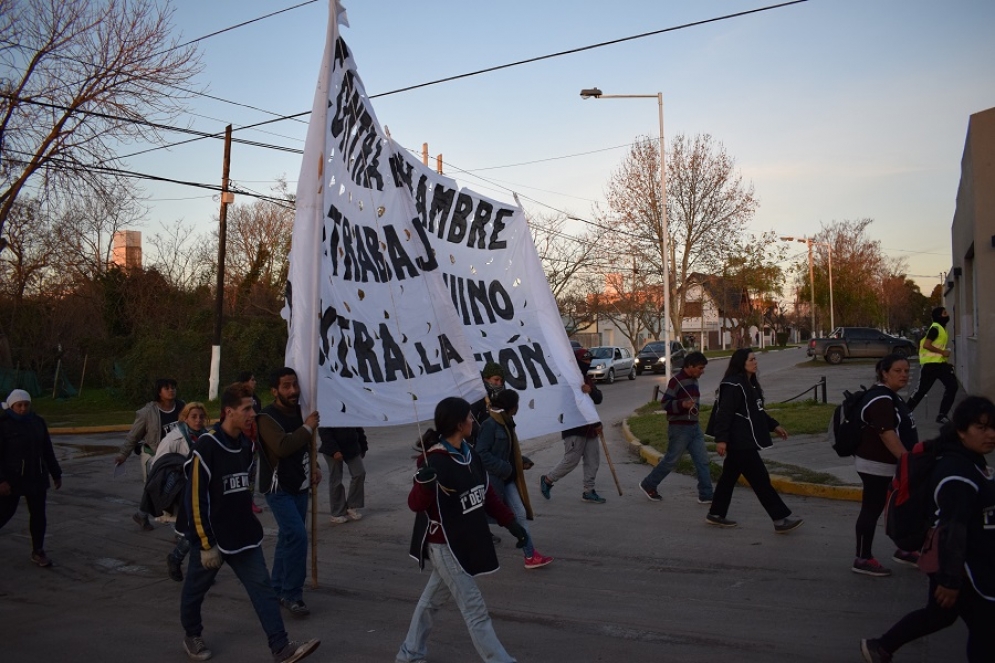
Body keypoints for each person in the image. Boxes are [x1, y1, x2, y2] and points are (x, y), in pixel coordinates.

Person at [180, 383, 320, 663]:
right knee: (195, 590)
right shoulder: (206, 446)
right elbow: (195, 499)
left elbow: (243, 491)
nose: (252, 413)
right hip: (212, 537)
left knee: (264, 591)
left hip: (243, 535)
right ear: (228, 412)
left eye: (253, 407)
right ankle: (192, 635)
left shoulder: (246, 444)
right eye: (246, 409)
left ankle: (281, 648)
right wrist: (206, 544)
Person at [861, 396, 995, 663]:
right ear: (961, 430)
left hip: (964, 564)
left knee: (940, 616)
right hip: (964, 569)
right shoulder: (957, 474)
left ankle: (881, 647)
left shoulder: (970, 460)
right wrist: (949, 580)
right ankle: (881, 646)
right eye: (981, 428)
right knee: (986, 632)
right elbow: (952, 530)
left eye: (993, 427)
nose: (991, 434)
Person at [396, 397, 528, 663]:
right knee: (475, 609)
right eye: (469, 417)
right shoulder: (434, 461)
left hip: (463, 541)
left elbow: (486, 493)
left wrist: (511, 523)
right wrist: (423, 483)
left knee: (430, 603)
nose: (473, 420)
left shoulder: (470, 454)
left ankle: (409, 655)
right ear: (459, 424)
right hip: (444, 545)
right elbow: (416, 504)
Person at [705, 348, 803, 533]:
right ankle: (780, 519)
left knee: (728, 478)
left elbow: (757, 412)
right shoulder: (733, 385)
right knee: (760, 479)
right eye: (751, 360)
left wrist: (774, 426)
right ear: (741, 363)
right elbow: (723, 414)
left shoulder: (751, 384)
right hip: (739, 441)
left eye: (755, 359)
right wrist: (721, 440)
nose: (755, 362)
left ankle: (716, 513)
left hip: (745, 439)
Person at [256, 367, 321, 618]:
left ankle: (278, 589)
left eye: (295, 384)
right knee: (297, 536)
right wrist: (306, 428)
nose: (293, 390)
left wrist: (314, 466)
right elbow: (282, 447)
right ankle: (293, 594)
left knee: (287, 538)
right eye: (286, 386)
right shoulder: (267, 418)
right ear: (274, 391)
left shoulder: (301, 412)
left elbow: (305, 447)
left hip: (300, 485)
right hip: (278, 488)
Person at [852, 355, 920, 577]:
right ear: (884, 373)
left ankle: (905, 549)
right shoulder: (880, 398)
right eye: (897, 371)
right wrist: (906, 460)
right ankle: (863, 558)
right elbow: (887, 434)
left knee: (902, 508)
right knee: (871, 510)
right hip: (876, 466)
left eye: (906, 371)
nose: (903, 375)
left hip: (891, 466)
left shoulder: (890, 396)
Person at [476, 388, 553, 570]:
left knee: (519, 515)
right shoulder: (490, 425)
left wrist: (520, 461)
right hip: (497, 479)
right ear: (512, 406)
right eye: (517, 404)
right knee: (481, 517)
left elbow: (508, 451)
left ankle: (530, 555)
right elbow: (481, 453)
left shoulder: (507, 422)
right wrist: (506, 468)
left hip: (508, 479)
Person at [143, 402, 209, 582]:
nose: (198, 420)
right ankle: (181, 560)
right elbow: (159, 466)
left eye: (201, 417)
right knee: (194, 530)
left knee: (201, 530)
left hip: (202, 490)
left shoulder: (207, 438)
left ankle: (191, 565)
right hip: (181, 492)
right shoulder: (173, 439)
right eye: (193, 416)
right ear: (185, 418)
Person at [637, 351, 714, 504]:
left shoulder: (694, 380)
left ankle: (706, 494)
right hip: (679, 428)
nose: (702, 371)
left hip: (694, 426)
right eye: (700, 368)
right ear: (690, 366)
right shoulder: (676, 381)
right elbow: (665, 403)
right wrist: (682, 404)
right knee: (671, 460)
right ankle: (649, 484)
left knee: (703, 460)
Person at [0, 390, 62, 567]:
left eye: (26, 405)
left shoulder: (37, 422)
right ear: (11, 406)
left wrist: (56, 473)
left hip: (36, 477)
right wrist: (1, 480)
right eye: (19, 405)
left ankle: (38, 551)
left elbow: (47, 450)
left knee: (38, 516)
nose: (22, 408)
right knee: (4, 512)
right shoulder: (4, 425)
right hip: (12, 479)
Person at [114, 378, 185, 531]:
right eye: (167, 388)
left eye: (173, 387)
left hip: (176, 456)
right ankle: (175, 527)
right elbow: (133, 435)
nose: (171, 390)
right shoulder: (148, 412)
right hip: (153, 454)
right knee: (156, 486)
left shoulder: (182, 407)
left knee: (176, 486)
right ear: (159, 392)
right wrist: (123, 454)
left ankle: (143, 514)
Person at [539, 347, 606, 504]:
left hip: (590, 428)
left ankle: (588, 490)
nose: (588, 363)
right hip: (574, 427)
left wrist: (590, 391)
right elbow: (572, 406)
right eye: (585, 360)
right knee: (572, 459)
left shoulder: (586, 380)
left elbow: (598, 398)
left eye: (590, 360)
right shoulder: (567, 381)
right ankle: (548, 479)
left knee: (593, 459)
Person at [906, 306, 958, 425]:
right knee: (921, 391)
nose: (947, 315)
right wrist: (943, 353)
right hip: (930, 366)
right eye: (945, 313)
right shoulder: (935, 328)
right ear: (939, 316)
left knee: (952, 386)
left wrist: (944, 360)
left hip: (940, 365)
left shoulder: (942, 329)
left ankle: (942, 415)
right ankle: (905, 413)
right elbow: (927, 345)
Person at [318, 426, 367, 525]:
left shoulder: (350, 410)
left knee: (359, 473)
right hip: (332, 449)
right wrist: (334, 450)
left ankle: (352, 505)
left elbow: (358, 427)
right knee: (336, 479)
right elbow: (324, 432)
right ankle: (337, 513)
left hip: (351, 447)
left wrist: (363, 446)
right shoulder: (328, 412)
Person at [236, 370, 264, 514]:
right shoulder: (235, 398)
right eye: (252, 379)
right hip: (241, 442)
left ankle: (250, 500)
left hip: (254, 442)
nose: (254, 382)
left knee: (252, 473)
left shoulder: (256, 398)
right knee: (241, 474)